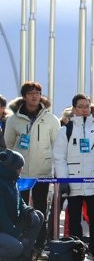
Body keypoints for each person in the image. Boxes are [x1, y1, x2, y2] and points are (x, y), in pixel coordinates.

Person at [52, 94, 94, 261]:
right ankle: (75, 251)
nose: (84, 109)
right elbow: (59, 157)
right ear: (74, 109)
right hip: (73, 182)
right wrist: (63, 180)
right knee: (73, 220)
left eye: (87, 106)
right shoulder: (65, 130)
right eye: (80, 106)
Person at [3, 82, 60, 243]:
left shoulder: (51, 119)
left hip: (42, 170)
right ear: (24, 96)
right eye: (30, 93)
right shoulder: (13, 120)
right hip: (19, 173)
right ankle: (20, 243)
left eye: (38, 92)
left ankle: (40, 244)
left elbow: (57, 145)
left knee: (41, 208)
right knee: (17, 209)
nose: (35, 96)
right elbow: (8, 145)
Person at [0, 150, 44, 261]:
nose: (21, 170)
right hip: (2, 227)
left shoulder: (11, 180)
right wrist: (18, 235)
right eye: (20, 167)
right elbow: (2, 217)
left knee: (38, 215)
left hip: (8, 226)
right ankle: (6, 260)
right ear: (12, 168)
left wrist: (29, 211)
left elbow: (20, 202)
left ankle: (23, 258)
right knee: (16, 247)